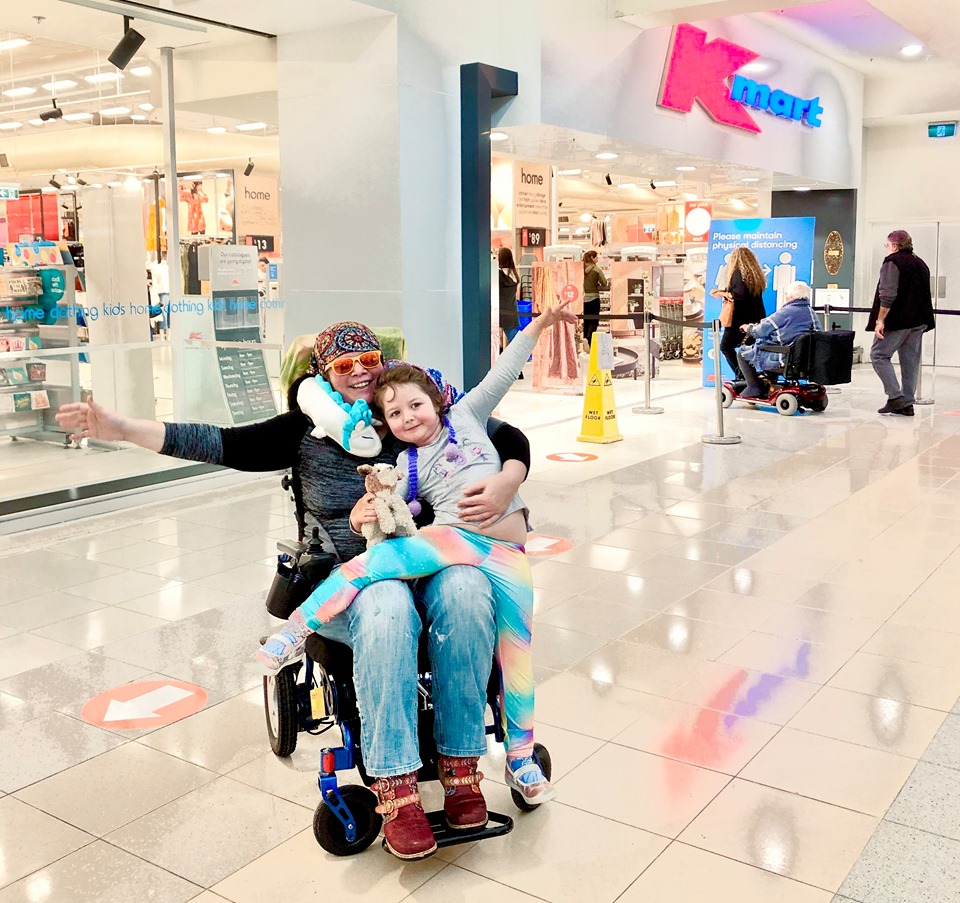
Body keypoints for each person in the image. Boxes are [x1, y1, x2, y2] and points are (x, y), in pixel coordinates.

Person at [55, 320, 532, 863]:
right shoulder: (304, 430)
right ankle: (396, 786)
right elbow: (218, 442)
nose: (359, 372)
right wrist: (118, 426)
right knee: (385, 602)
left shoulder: (408, 408)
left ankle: (461, 765)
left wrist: (508, 478)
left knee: (469, 588)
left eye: (367, 359)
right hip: (345, 586)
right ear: (323, 374)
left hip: (432, 562)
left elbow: (502, 432)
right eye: (343, 365)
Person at [254, 304, 578, 837]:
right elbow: (395, 510)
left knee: (517, 659)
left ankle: (519, 759)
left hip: (508, 560)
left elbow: (504, 371)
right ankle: (296, 630)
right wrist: (370, 506)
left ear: (437, 400)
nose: (408, 418)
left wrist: (538, 327)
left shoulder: (470, 416)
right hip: (452, 543)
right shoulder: (404, 464)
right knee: (376, 562)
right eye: (395, 414)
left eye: (416, 404)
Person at [867, 230, 935, 417]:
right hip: (918, 321)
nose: (887, 249)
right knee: (910, 362)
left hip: (898, 321)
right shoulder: (920, 263)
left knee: (878, 355)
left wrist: (880, 320)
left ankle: (895, 397)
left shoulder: (892, 262)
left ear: (895, 246)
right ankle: (907, 403)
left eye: (887, 245)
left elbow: (887, 295)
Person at [735, 281, 820, 397]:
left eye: (786, 294)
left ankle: (754, 387)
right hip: (806, 360)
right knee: (769, 347)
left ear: (791, 296)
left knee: (742, 352)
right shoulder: (811, 313)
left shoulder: (786, 312)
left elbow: (760, 331)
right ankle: (770, 385)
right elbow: (819, 334)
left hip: (784, 358)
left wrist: (749, 328)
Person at [711, 246, 767, 377]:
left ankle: (743, 375)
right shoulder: (756, 276)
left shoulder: (737, 273)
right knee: (747, 349)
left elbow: (739, 295)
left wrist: (724, 294)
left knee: (725, 346)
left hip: (739, 320)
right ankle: (750, 376)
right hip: (756, 318)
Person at [582, 249, 608, 351]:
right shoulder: (597, 270)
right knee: (594, 321)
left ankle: (584, 340)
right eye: (596, 257)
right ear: (592, 258)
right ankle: (590, 341)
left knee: (586, 321)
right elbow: (604, 283)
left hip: (583, 298)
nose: (597, 259)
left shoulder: (581, 268)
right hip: (594, 298)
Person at [498, 247, 520, 345]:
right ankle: (525, 356)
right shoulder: (515, 274)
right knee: (514, 339)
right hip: (511, 310)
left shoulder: (498, 274)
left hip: (499, 310)